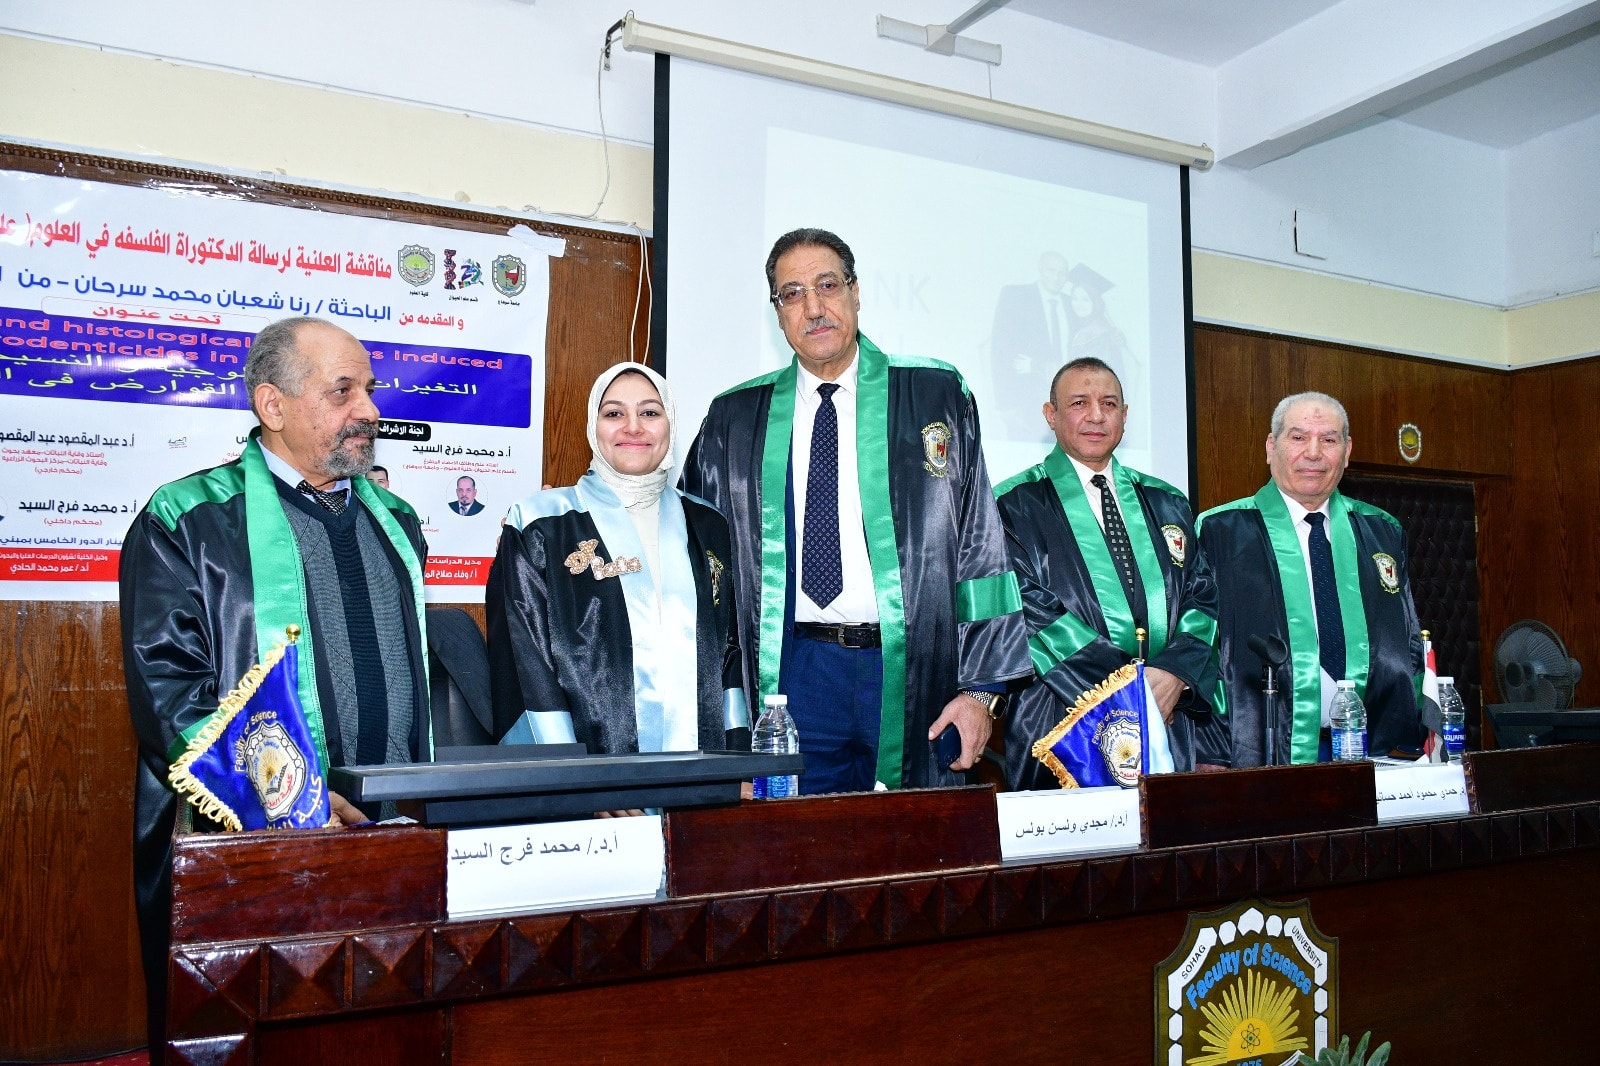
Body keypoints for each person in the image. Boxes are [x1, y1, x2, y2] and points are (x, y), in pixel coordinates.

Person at [120, 316, 430, 1058]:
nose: (370, 410)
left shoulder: (396, 519)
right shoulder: (189, 518)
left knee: (384, 1032)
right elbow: (168, 693)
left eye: (369, 390)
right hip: (251, 840)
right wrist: (299, 802)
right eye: (343, 391)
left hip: (391, 837)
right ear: (273, 404)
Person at [680, 227, 1030, 793]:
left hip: (915, 672)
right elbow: (697, 563)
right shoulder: (734, 419)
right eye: (792, 294)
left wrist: (981, 691)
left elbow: (980, 549)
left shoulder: (935, 395)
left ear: (856, 292)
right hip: (792, 675)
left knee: (915, 838)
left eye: (827, 285)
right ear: (777, 312)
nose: (814, 308)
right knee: (797, 837)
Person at [487, 362, 748, 753]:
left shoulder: (708, 523)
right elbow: (524, 664)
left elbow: (727, 652)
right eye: (614, 413)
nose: (633, 427)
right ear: (593, 427)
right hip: (589, 771)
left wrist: (737, 758)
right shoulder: (540, 524)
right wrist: (566, 772)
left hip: (702, 768)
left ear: (670, 424)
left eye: (650, 412)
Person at [995, 357, 1223, 789]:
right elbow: (1026, 610)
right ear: (1051, 414)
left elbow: (1203, 597)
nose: (1097, 416)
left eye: (1110, 404)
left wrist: (1173, 674)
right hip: (1062, 720)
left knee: (1163, 831)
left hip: (1167, 716)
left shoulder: (1167, 502)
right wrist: (1131, 691)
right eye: (1079, 402)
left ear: (1125, 415)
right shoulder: (1012, 505)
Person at [1197, 391, 1424, 767]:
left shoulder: (1381, 531)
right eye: (1298, 437)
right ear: (1271, 447)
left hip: (1374, 748)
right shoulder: (1221, 530)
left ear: (1347, 452)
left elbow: (1409, 639)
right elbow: (1202, 650)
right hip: (1260, 748)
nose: (1314, 453)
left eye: (1329, 440)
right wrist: (1210, 752)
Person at [990, 251, 1071, 440]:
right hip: (1023, 402)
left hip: (1066, 405)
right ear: (1040, 270)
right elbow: (1000, 349)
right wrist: (1004, 403)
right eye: (1051, 271)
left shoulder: (1071, 304)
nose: (1056, 277)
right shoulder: (1016, 297)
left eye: (1062, 273)